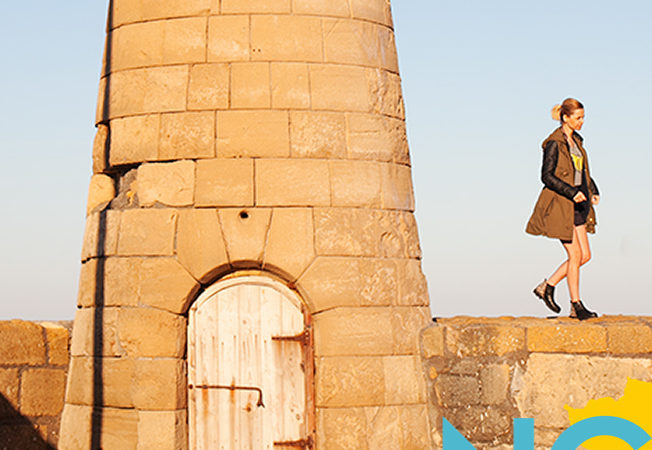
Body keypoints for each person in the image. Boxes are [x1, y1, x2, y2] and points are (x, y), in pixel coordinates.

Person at [526, 98, 600, 320]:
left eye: (583, 117)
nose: (582, 122)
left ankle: (547, 286)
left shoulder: (577, 142)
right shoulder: (553, 143)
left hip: (579, 204)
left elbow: (583, 171)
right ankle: (576, 305)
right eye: (578, 118)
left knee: (585, 255)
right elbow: (546, 176)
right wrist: (570, 191)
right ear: (565, 117)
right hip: (561, 205)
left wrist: (593, 190)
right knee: (575, 255)